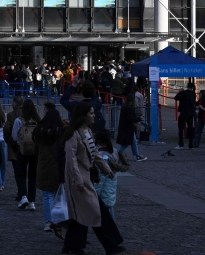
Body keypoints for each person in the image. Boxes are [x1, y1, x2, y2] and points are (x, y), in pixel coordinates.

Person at [61, 102, 125, 255]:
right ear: (83, 116)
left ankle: (72, 246)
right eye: (91, 113)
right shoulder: (74, 134)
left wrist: (106, 168)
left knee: (84, 213)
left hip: (85, 177)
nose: (94, 115)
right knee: (95, 211)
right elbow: (71, 160)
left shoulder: (87, 131)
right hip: (78, 179)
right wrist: (77, 180)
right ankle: (110, 245)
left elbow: (94, 153)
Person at [35, 103, 63, 231]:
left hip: (43, 164)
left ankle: (48, 221)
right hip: (57, 165)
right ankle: (58, 221)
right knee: (58, 195)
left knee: (46, 195)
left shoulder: (40, 131)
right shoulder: (60, 133)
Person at [12, 99, 39, 210]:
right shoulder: (38, 120)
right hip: (34, 150)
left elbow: (14, 136)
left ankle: (23, 196)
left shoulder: (19, 120)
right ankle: (32, 200)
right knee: (33, 176)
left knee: (21, 173)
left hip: (22, 149)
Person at [115, 88, 146, 162]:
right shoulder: (129, 108)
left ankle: (137, 155)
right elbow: (130, 119)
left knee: (132, 142)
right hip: (128, 128)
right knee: (128, 143)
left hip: (125, 127)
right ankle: (119, 153)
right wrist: (139, 118)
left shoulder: (125, 107)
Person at [173, 83, 196, 149]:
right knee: (190, 128)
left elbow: (176, 97)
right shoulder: (193, 94)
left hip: (184, 112)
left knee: (180, 128)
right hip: (191, 113)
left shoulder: (184, 93)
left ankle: (181, 144)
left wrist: (181, 92)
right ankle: (190, 144)